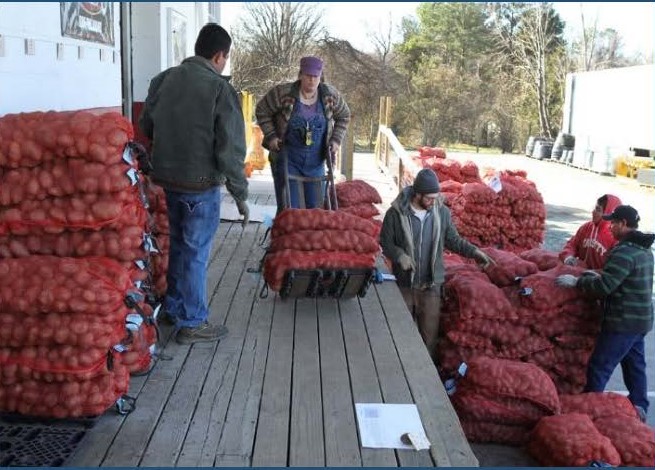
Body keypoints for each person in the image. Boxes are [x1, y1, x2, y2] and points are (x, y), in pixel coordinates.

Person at [139, 23, 249, 345]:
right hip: (200, 187)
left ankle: (173, 308)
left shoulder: (164, 80)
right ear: (219, 56)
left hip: (165, 181)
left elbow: (146, 125)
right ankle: (193, 321)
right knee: (195, 252)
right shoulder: (219, 89)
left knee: (179, 246)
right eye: (226, 59)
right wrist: (240, 194)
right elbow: (229, 150)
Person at [380, 168, 495, 356]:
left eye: (435, 197)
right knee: (401, 333)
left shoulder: (441, 213)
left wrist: (475, 252)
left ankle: (425, 377)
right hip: (405, 284)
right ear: (417, 194)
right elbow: (385, 242)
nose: (433, 202)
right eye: (429, 198)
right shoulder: (396, 213)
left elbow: (453, 240)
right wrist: (400, 256)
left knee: (429, 336)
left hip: (431, 286)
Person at [555, 205, 654, 422]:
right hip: (641, 320)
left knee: (599, 366)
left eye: (614, 223)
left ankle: (587, 411)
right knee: (634, 364)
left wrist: (578, 282)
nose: (610, 227)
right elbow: (620, 278)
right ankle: (640, 406)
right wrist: (596, 273)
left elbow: (606, 287)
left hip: (623, 321)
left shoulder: (624, 252)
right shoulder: (644, 250)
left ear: (624, 224)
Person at [255, 56, 350, 213]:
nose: (311, 81)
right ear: (300, 75)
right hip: (288, 158)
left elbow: (344, 116)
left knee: (316, 208)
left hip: (316, 161)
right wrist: (271, 136)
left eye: (315, 77)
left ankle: (311, 238)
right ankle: (287, 236)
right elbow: (262, 110)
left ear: (320, 77)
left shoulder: (329, 96)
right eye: (308, 76)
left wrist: (336, 140)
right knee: (290, 208)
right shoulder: (283, 93)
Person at [559, 194, 622, 269]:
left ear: (608, 213)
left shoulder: (615, 236)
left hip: (597, 277)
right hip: (578, 270)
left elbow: (613, 269)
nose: (593, 212)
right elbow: (572, 244)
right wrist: (568, 257)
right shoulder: (586, 227)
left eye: (598, 210)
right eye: (595, 208)